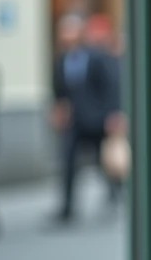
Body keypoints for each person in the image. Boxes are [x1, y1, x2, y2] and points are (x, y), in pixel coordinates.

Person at [51, 14, 123, 224]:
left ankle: (117, 192)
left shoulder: (95, 56)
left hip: (97, 118)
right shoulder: (62, 60)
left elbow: (110, 86)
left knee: (104, 161)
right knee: (68, 161)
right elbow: (60, 90)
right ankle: (67, 207)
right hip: (74, 121)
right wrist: (58, 109)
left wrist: (113, 114)